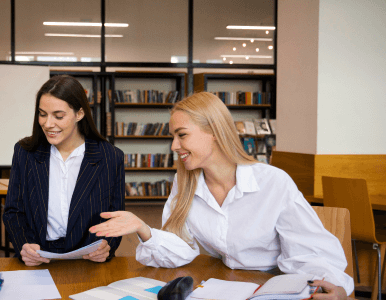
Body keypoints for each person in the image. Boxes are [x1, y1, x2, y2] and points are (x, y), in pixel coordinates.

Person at [89, 92, 354, 299]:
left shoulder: (272, 182)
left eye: (182, 135)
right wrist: (143, 228)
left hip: (275, 287)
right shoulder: (185, 181)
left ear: (214, 133)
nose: (174, 146)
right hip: (226, 285)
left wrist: (335, 286)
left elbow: (311, 253)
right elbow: (180, 248)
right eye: (173, 137)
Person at [3, 75, 124, 266]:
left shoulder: (110, 157)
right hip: (38, 259)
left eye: (58, 116)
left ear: (79, 114)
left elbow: (115, 216)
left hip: (88, 261)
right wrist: (24, 245)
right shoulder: (25, 152)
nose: (48, 123)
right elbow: (13, 211)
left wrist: (106, 246)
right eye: (42, 114)